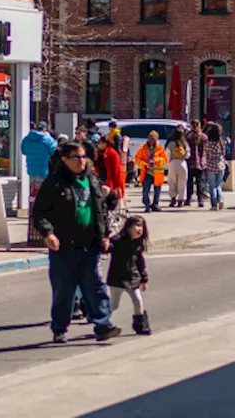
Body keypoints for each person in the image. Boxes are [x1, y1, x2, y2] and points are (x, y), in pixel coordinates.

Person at [32, 142, 122, 344]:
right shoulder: (54, 183)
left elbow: (104, 209)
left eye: (83, 157)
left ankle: (103, 325)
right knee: (64, 290)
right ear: (64, 160)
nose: (82, 161)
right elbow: (39, 214)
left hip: (90, 244)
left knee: (96, 286)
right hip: (64, 247)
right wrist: (48, 233)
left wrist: (105, 233)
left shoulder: (92, 180)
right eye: (77, 157)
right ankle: (59, 328)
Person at [107, 215, 151, 336]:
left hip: (133, 278)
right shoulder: (117, 241)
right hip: (117, 279)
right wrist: (105, 243)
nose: (140, 229)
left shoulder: (138, 244)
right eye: (137, 226)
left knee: (138, 300)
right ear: (128, 228)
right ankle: (103, 322)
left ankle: (141, 325)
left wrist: (143, 278)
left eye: (142, 226)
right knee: (114, 305)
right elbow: (108, 248)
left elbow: (140, 263)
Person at [134, 131, 169, 213]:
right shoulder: (143, 148)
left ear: (157, 139)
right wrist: (145, 164)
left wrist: (157, 160)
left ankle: (155, 204)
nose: (151, 141)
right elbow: (137, 159)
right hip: (147, 172)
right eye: (150, 139)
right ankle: (147, 204)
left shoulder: (160, 148)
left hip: (157, 173)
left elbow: (165, 160)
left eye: (153, 139)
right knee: (146, 189)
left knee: (157, 190)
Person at [22, 121, 58, 186]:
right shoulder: (47, 139)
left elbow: (23, 151)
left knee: (32, 190)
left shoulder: (26, 139)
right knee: (43, 191)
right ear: (45, 129)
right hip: (44, 169)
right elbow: (54, 151)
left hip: (31, 169)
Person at [204, 123, 228, 211]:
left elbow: (206, 153)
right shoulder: (221, 142)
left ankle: (214, 205)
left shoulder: (208, 143)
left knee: (212, 186)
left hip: (211, 165)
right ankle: (221, 199)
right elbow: (224, 153)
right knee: (218, 185)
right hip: (221, 165)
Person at [96, 135, 126, 205]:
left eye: (99, 143)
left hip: (108, 179)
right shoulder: (98, 152)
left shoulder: (112, 153)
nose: (98, 144)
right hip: (100, 177)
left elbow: (117, 170)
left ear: (105, 143)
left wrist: (117, 185)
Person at [166, 127, 190, 208]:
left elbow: (167, 154)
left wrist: (167, 163)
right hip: (183, 163)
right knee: (182, 183)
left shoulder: (171, 143)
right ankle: (181, 200)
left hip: (173, 163)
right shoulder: (185, 144)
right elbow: (188, 155)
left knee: (172, 182)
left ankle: (173, 199)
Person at [188, 120, 207, 208]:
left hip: (190, 162)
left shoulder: (189, 136)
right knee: (200, 182)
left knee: (190, 182)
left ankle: (188, 199)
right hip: (200, 163)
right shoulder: (203, 137)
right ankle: (200, 200)